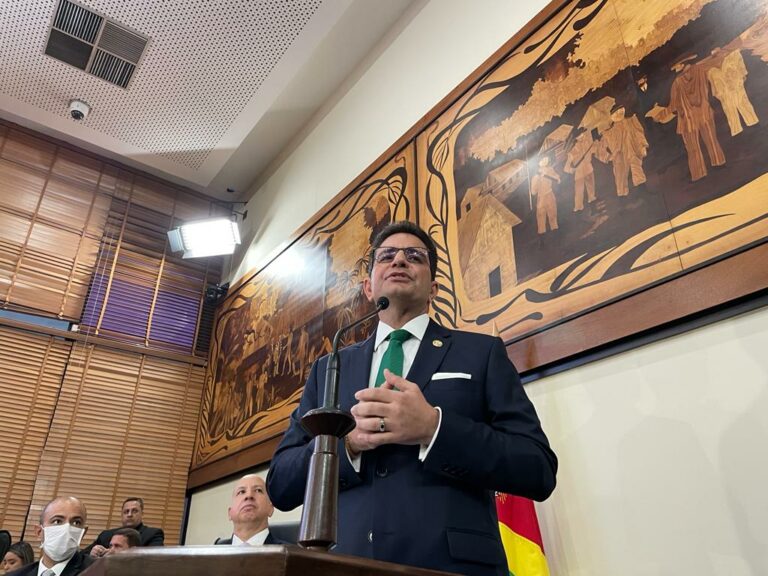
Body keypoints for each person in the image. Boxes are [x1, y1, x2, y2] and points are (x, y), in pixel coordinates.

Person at [267, 221, 557, 576]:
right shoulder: (329, 367)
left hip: (451, 567)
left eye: (415, 256)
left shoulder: (481, 353)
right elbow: (281, 485)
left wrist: (434, 428)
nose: (399, 260)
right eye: (386, 256)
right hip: (342, 565)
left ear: (433, 287)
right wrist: (346, 445)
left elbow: (538, 469)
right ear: (368, 287)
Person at [6, 496, 94, 576]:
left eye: (76, 522)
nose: (67, 528)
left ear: (83, 533)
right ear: (39, 532)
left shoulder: (98, 571)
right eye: (57, 521)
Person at [214, 474, 285, 545]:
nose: (249, 495)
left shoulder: (288, 551)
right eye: (241, 492)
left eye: (258, 490)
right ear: (230, 513)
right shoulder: (214, 550)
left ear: (270, 509)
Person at [84, 497, 163, 557]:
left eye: (134, 511)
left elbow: (155, 559)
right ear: (121, 514)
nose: (129, 514)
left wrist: (116, 554)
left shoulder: (153, 534)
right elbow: (82, 556)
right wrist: (92, 553)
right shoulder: (106, 535)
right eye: (126, 511)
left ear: (142, 514)